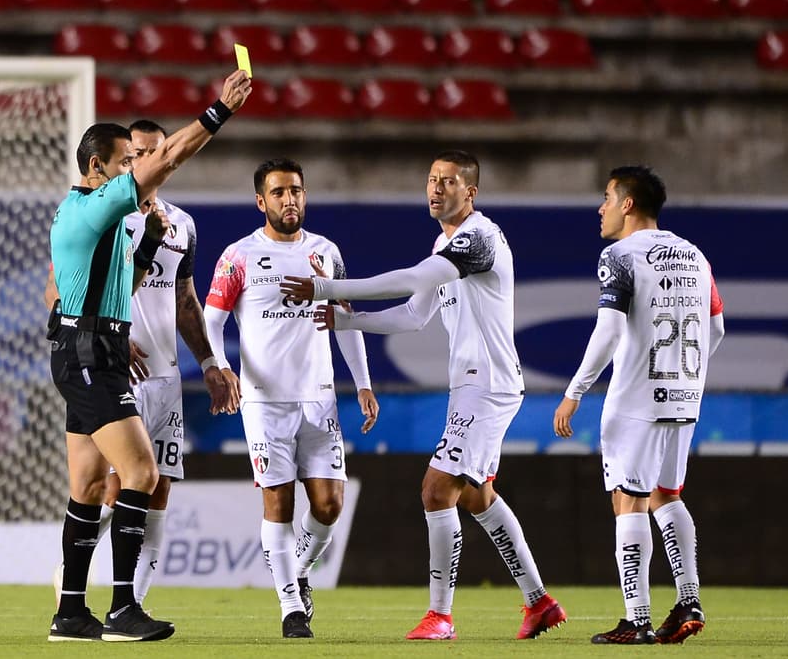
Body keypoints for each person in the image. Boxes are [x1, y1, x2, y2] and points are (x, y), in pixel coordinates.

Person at [280, 150, 566, 642]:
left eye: (448, 182)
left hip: (489, 384)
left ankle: (441, 616)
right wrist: (350, 320)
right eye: (431, 180)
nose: (435, 189)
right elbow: (414, 314)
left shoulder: (479, 238)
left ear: (469, 193)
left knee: (436, 490)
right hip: (472, 385)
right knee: (477, 496)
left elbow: (413, 279)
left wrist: (327, 288)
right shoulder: (445, 241)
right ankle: (538, 601)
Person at [47, 70, 251, 643]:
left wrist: (153, 247)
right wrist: (218, 111)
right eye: (121, 163)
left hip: (88, 345)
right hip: (91, 349)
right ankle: (121, 609)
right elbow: (170, 159)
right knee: (141, 472)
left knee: (87, 484)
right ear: (97, 168)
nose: (128, 171)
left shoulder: (100, 221)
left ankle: (69, 612)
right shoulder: (93, 205)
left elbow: (126, 285)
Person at [203, 158, 378, 639]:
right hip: (264, 402)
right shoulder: (238, 256)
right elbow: (211, 320)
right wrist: (218, 366)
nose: (289, 200)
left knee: (328, 506)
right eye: (279, 192)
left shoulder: (326, 252)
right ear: (262, 201)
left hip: (319, 398)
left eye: (296, 191)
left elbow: (344, 318)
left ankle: (298, 570)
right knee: (277, 505)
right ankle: (289, 609)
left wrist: (362, 381)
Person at [552, 166, 725, 645]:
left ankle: (637, 619)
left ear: (627, 204)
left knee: (628, 499)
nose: (601, 207)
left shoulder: (620, 255)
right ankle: (688, 598)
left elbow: (607, 330)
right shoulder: (695, 255)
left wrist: (575, 391)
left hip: (635, 398)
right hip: (686, 394)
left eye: (607, 197)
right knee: (667, 495)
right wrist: (684, 373)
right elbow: (716, 330)